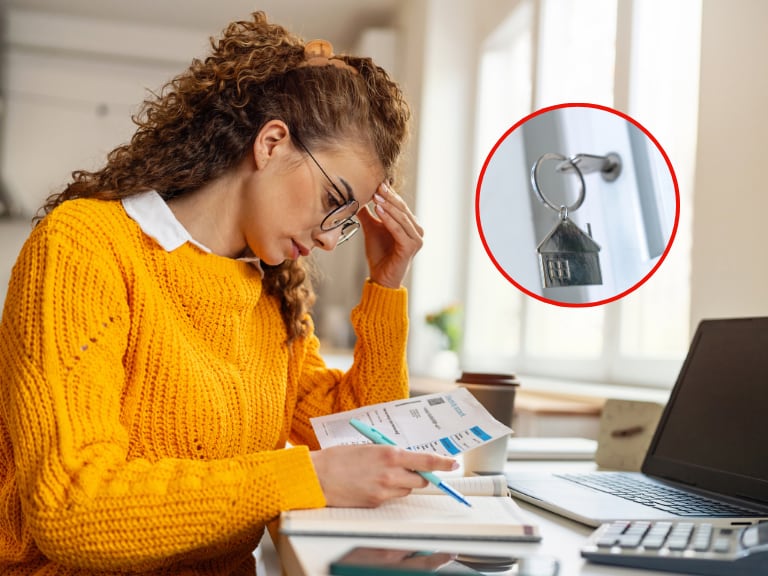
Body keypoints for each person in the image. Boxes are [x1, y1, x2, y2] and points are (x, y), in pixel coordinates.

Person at [0, 11, 458, 575]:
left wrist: (386, 286)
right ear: (271, 143)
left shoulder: (271, 297)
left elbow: (363, 437)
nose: (329, 238)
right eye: (333, 201)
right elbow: (72, 507)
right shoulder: (86, 246)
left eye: (346, 220)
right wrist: (301, 478)